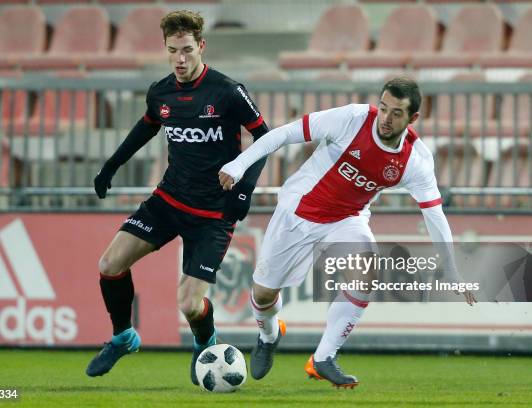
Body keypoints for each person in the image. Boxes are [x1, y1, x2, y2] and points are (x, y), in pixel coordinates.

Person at [219, 77, 477, 388]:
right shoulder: (352, 119)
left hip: (347, 219)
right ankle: (269, 335)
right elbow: (285, 134)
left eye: (396, 113)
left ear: (413, 119)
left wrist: (450, 269)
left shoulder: (415, 161)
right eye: (383, 108)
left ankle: (323, 358)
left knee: (367, 270)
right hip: (298, 211)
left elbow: (434, 214)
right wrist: (239, 164)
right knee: (263, 294)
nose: (385, 118)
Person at [85, 10, 269, 385]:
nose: (181, 59)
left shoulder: (228, 91)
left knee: (188, 304)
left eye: (187, 50)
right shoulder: (161, 92)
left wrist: (244, 188)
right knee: (109, 263)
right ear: (166, 50)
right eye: (173, 51)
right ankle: (123, 336)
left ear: (201, 46)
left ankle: (206, 345)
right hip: (168, 200)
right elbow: (145, 128)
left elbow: (265, 139)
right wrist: (110, 166)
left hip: (214, 213)